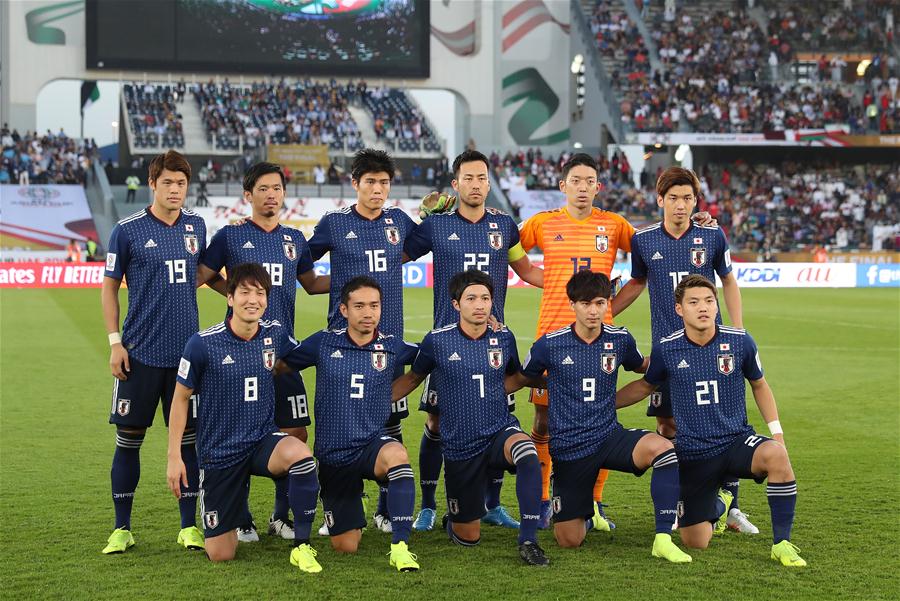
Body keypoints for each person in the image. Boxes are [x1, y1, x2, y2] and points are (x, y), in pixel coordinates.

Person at [616, 275, 806, 567]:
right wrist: (605, 404)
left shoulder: (740, 341)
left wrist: (776, 432)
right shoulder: (667, 349)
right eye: (693, 302)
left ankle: (782, 543)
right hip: (693, 452)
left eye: (708, 301)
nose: (703, 307)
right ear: (680, 309)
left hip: (735, 441)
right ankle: (724, 501)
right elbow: (645, 386)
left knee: (776, 455)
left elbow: (759, 385)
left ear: (716, 306)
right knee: (697, 541)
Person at [403, 149, 543, 531]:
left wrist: (570, 283)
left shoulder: (504, 225)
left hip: (493, 347)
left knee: (496, 420)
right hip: (445, 347)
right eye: (469, 178)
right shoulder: (436, 226)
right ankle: (430, 506)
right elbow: (397, 255)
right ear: (456, 184)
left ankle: (492, 504)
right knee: (435, 422)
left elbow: (526, 269)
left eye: (482, 178)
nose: (476, 184)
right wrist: (417, 219)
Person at [507, 271, 690, 562]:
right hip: (570, 446)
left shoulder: (620, 340)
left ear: (608, 304)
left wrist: (679, 360)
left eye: (600, 303)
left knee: (664, 450)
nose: (593, 311)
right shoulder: (549, 344)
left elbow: (641, 366)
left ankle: (663, 537)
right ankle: (584, 512)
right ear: (573, 305)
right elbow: (522, 378)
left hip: (609, 435)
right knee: (569, 540)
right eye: (586, 303)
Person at [611, 166, 756, 534]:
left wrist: (736, 329)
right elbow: (636, 283)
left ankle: (730, 506)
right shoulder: (644, 241)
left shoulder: (710, 234)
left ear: (696, 201)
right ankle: (687, 502)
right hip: (669, 351)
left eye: (687, 199)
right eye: (673, 198)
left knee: (725, 425)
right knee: (668, 424)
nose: (680, 206)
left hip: (713, 348)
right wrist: (601, 313)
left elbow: (728, 280)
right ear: (660, 200)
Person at [196, 162, 329, 542]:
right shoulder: (231, 236)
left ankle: (280, 516)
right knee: (237, 434)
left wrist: (358, 277)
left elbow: (313, 283)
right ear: (248, 195)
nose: (272, 195)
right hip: (238, 355)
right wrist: (240, 299)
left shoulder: (294, 239)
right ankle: (239, 517)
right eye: (264, 189)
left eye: (277, 188)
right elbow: (203, 276)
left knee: (296, 432)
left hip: (283, 352)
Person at [167, 263, 322, 571]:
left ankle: (302, 545)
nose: (253, 300)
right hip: (220, 452)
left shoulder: (274, 334)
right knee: (221, 554)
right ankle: (234, 515)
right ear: (230, 298)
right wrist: (174, 456)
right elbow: (180, 398)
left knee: (301, 455)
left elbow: (302, 355)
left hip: (262, 441)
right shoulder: (202, 343)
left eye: (260, 293)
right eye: (245, 292)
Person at [393, 270, 549, 567]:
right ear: (456, 305)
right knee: (468, 538)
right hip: (460, 445)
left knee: (527, 451)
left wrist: (555, 382)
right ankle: (456, 519)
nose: (480, 305)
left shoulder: (504, 337)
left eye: (486, 298)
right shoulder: (437, 341)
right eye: (472, 298)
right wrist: (375, 403)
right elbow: (413, 378)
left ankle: (529, 540)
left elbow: (517, 376)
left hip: (498, 431)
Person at [517, 153, 636, 530]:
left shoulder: (614, 226)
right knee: (543, 418)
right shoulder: (543, 224)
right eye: (576, 180)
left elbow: (649, 259)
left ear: (598, 187)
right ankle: (539, 500)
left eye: (589, 181)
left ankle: (594, 502)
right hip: (553, 334)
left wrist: (611, 305)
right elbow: (507, 248)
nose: (582, 187)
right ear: (562, 185)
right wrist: (549, 280)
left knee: (601, 421)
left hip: (601, 340)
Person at [100, 150, 207, 554]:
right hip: (139, 354)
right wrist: (115, 342)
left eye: (181, 183)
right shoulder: (127, 230)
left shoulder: (197, 225)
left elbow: (203, 274)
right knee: (129, 439)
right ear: (153, 184)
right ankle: (121, 528)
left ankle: (188, 527)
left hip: (187, 359)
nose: (175, 190)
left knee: (188, 443)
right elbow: (109, 286)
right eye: (168, 183)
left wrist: (239, 294)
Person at [279, 277, 421, 572]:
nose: (368, 313)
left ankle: (400, 547)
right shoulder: (323, 342)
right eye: (359, 306)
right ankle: (355, 504)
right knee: (346, 547)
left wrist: (386, 395)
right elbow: (281, 366)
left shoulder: (392, 345)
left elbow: (430, 357)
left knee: (398, 455)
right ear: (344, 310)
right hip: (334, 453)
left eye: (374, 306)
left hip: (372, 445)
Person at [308, 149, 416, 533]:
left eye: (384, 182)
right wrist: (334, 286)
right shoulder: (335, 223)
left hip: (388, 340)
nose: (377, 189)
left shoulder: (399, 221)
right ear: (355, 183)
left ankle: (387, 509)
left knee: (391, 417)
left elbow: (421, 244)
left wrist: (437, 212)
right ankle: (336, 507)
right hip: (342, 342)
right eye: (370, 181)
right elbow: (303, 265)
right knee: (338, 422)